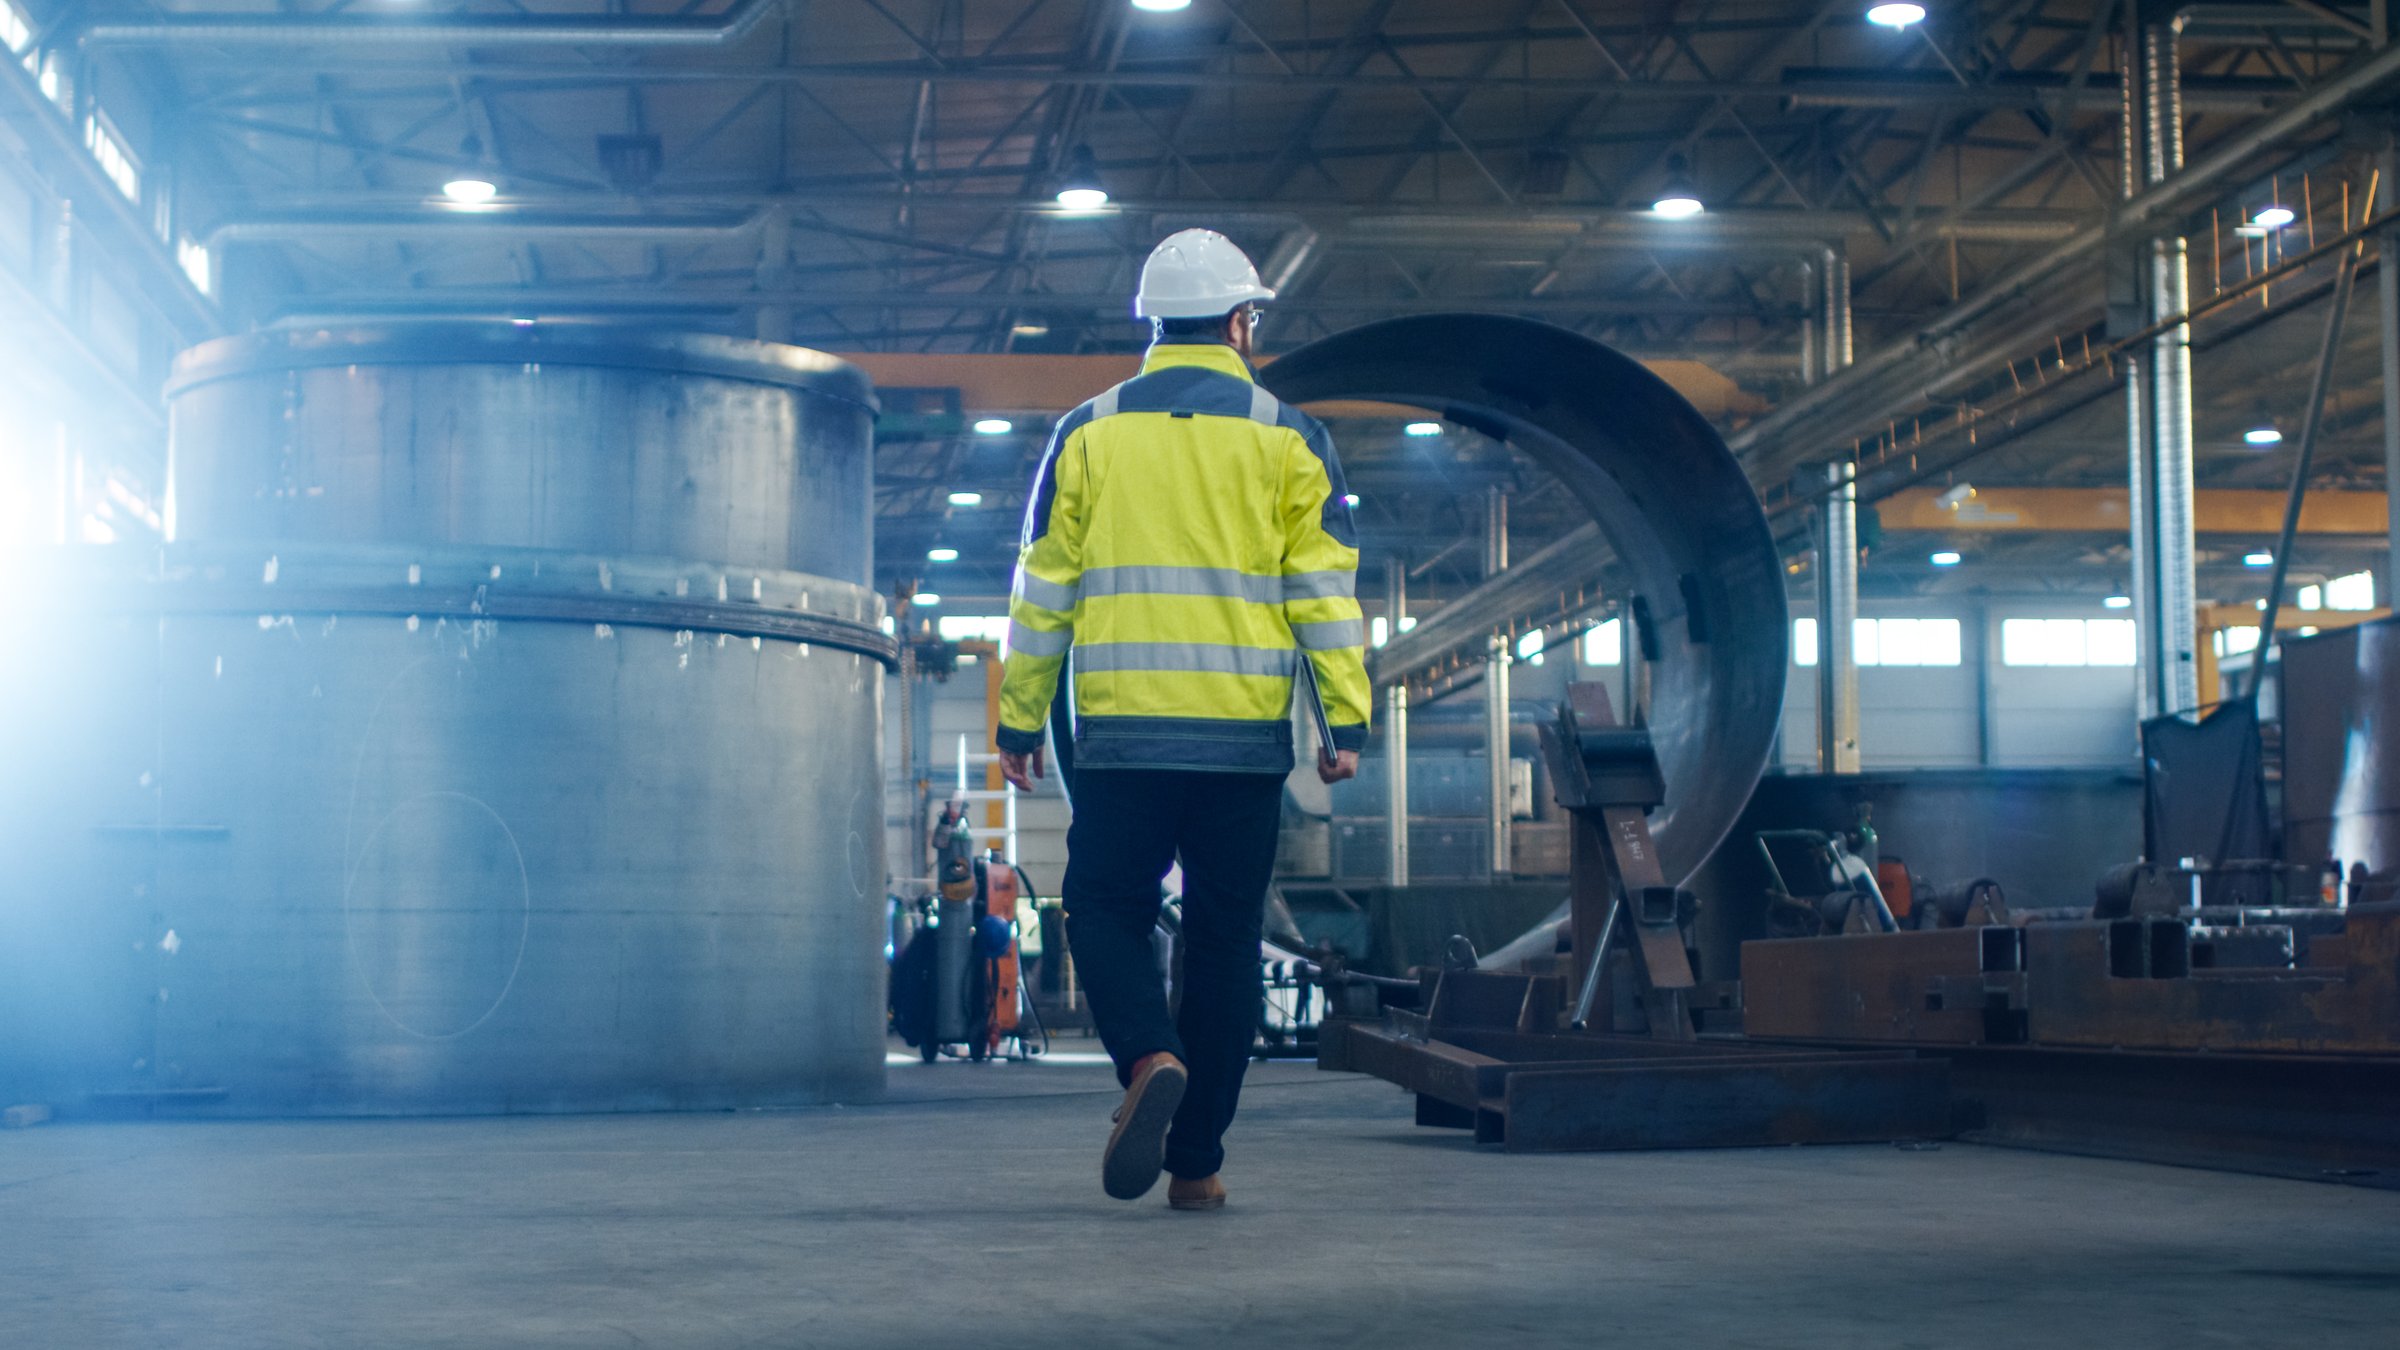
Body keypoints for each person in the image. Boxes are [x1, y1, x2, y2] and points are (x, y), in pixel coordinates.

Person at [994, 228, 1370, 1211]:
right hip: (1243, 745)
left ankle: (1147, 1057)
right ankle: (1196, 1165)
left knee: (1107, 910)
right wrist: (1345, 724)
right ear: (1241, 323)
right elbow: (1324, 594)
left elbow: (1041, 596)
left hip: (1120, 738)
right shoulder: (1290, 435)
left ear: (1153, 325)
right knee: (1222, 940)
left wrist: (1020, 725)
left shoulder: (1088, 431)